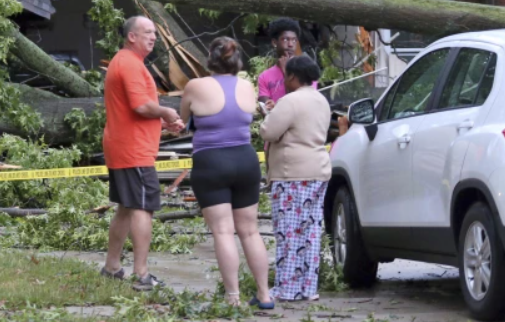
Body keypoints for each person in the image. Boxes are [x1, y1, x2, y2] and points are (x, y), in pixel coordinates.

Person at [180, 37, 273, 310]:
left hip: (211, 162)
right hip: (246, 161)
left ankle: (233, 298)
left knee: (223, 231)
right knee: (251, 231)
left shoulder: (195, 86)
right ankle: (265, 294)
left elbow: (185, 121)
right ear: (237, 59)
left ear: (210, 57)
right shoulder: (247, 86)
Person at [101, 16, 183, 291]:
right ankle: (142, 274)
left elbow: (133, 110)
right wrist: (166, 111)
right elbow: (140, 106)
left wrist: (163, 123)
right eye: (147, 32)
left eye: (155, 33)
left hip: (124, 145)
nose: (153, 37)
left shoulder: (126, 61)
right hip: (133, 149)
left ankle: (112, 267)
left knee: (126, 207)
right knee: (143, 207)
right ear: (131, 36)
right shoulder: (129, 63)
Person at [259, 55, 332, 302]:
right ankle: (307, 288)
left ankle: (287, 289)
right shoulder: (321, 100)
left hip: (292, 174)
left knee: (289, 232)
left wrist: (264, 115)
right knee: (310, 232)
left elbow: (268, 131)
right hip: (318, 170)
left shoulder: (289, 101)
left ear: (291, 76)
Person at [258, 18, 317, 111]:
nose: (290, 44)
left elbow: (306, 103)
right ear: (274, 42)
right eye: (285, 39)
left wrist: (287, 71)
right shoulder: (264, 76)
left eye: (294, 40)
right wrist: (268, 106)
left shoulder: (307, 71)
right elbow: (264, 108)